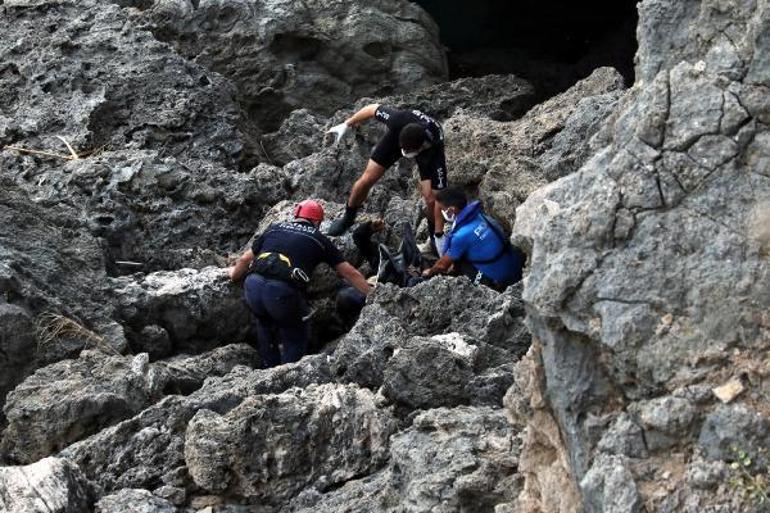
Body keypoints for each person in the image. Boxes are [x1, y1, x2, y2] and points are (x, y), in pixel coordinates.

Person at [229, 200, 371, 368]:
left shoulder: (274, 228)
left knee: (264, 325)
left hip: (253, 286)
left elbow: (245, 259)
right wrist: (373, 294)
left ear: (296, 215)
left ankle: (266, 372)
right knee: (295, 334)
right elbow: (349, 273)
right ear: (318, 222)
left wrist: (233, 275)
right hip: (281, 292)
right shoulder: (319, 239)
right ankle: (285, 379)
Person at [325, 104, 448, 252]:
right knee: (367, 179)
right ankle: (348, 218)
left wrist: (439, 233)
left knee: (431, 199)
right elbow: (372, 108)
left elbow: (438, 199)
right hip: (398, 137)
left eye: (407, 152)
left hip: (427, 152)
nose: (404, 154)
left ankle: (434, 239)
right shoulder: (397, 119)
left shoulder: (435, 143)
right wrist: (347, 123)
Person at [422, 188, 525, 292]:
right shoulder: (480, 216)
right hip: (515, 266)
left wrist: (430, 272)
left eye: (442, 210)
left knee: (457, 263)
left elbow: (442, 266)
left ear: (451, 210)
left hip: (499, 280)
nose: (442, 212)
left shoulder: (461, 236)